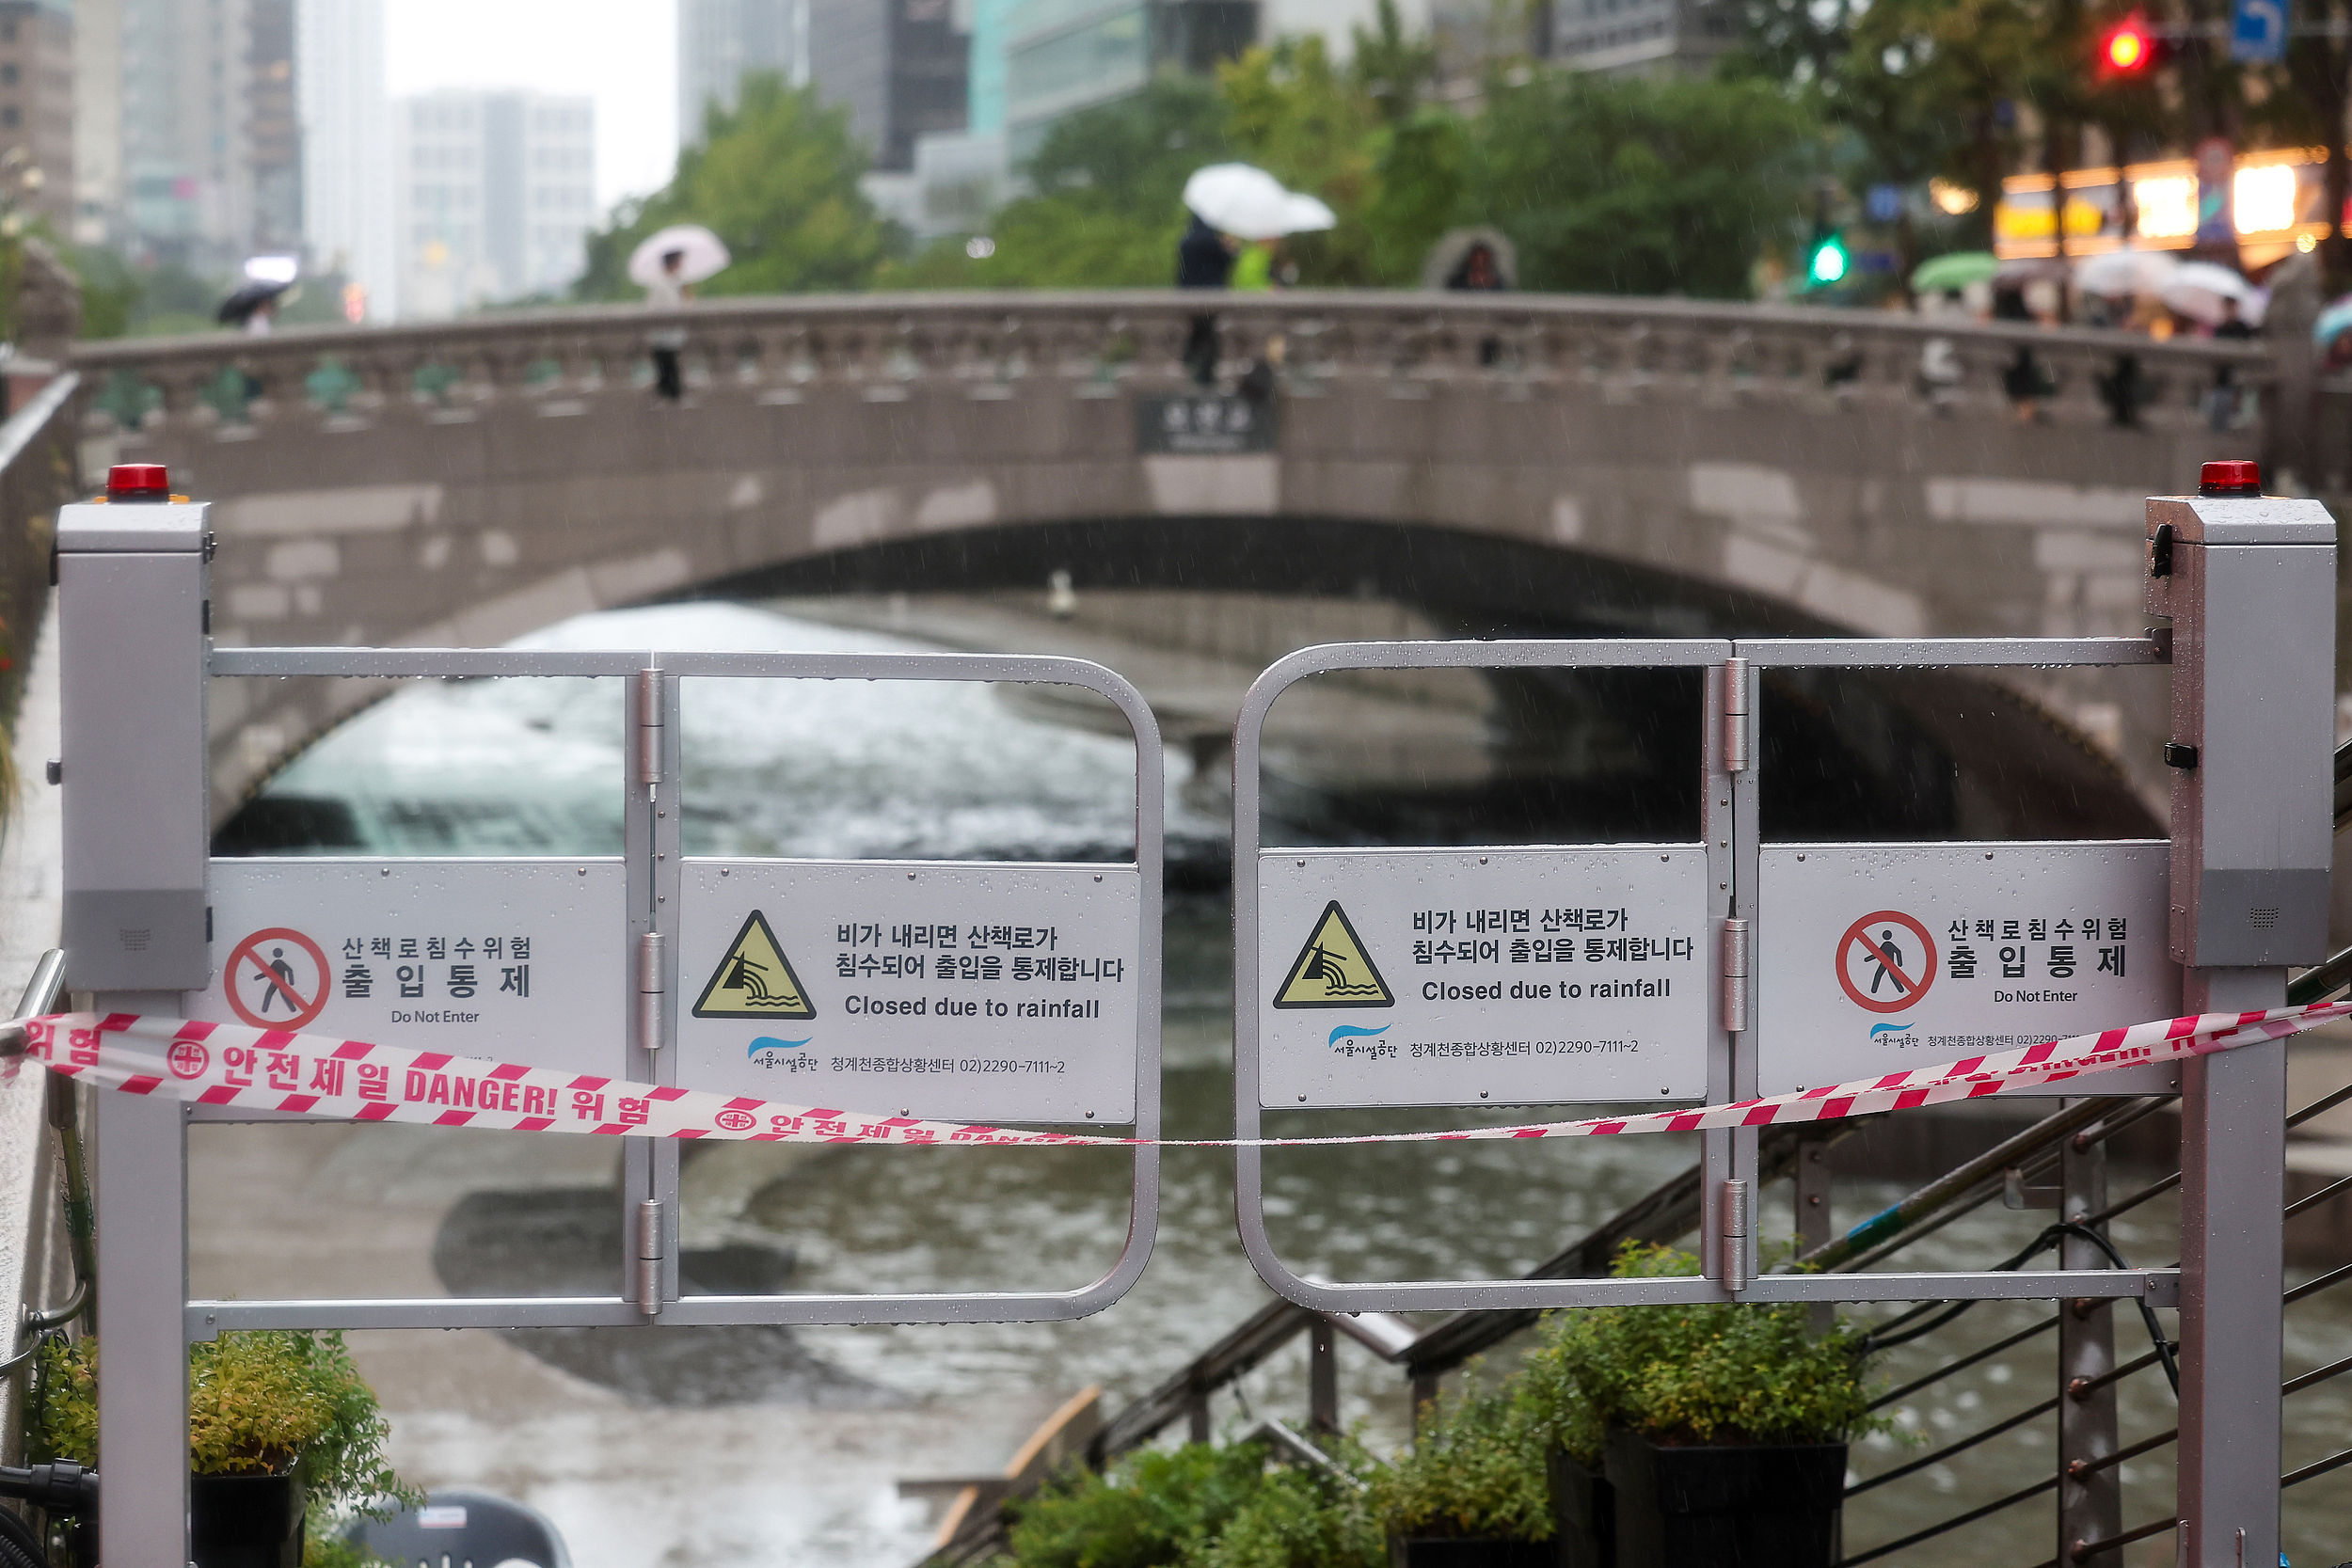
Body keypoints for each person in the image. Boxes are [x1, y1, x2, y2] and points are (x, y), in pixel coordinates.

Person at [1177, 214, 1235, 387]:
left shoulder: (1186, 240)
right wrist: (1230, 250)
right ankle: (1206, 378)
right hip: (1213, 298)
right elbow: (1225, 265)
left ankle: (1189, 374)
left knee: (1193, 338)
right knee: (1212, 339)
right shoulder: (1214, 242)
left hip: (1190, 298)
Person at [644, 247, 691, 401]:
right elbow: (656, 310)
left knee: (670, 371)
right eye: (679, 261)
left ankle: (670, 397)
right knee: (667, 373)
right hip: (662, 336)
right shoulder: (660, 284)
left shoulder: (677, 283)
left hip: (672, 335)